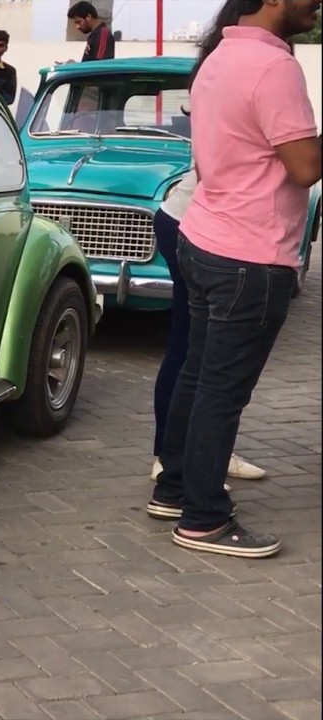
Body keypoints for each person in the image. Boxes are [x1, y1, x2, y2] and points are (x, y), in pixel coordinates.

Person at [149, 0, 321, 559]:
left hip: (204, 236)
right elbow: (305, 168)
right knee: (221, 391)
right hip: (250, 253)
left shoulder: (218, 57)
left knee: (199, 377)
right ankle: (204, 518)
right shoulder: (275, 68)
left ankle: (173, 489)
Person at [149, 0, 269, 495]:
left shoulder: (217, 67)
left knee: (198, 351)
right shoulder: (237, 70)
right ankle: (170, 458)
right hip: (194, 221)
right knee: (193, 350)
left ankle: (192, 452)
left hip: (190, 219)